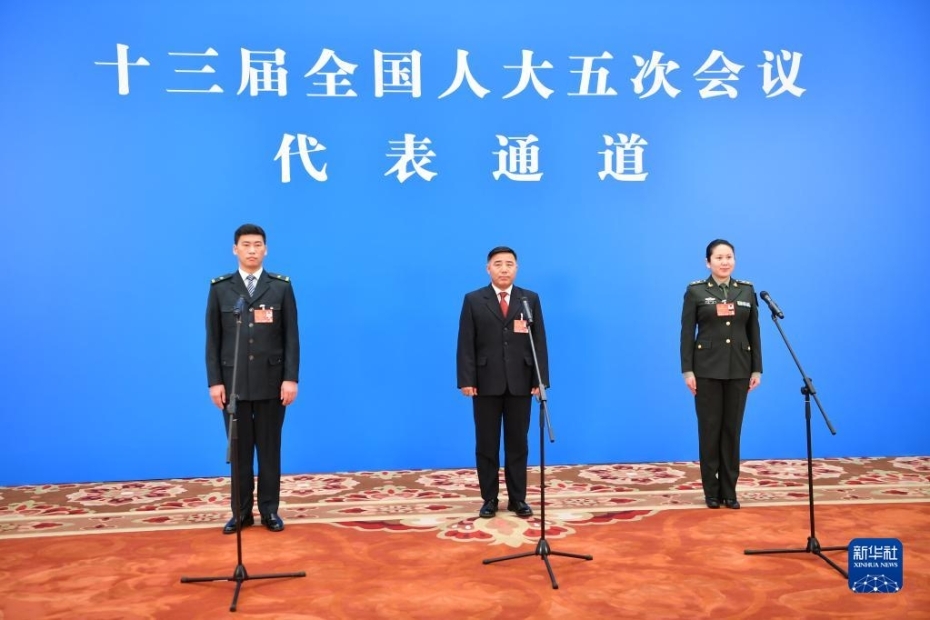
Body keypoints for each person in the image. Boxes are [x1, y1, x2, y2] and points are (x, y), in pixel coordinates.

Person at [206, 223, 300, 533]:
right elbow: (213, 340)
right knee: (239, 452)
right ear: (235, 249)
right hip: (233, 385)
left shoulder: (280, 287)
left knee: (270, 450)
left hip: (272, 383)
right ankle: (241, 512)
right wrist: (215, 382)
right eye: (246, 245)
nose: (252, 250)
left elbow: (291, 337)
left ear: (266, 249)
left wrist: (290, 378)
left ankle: (270, 511)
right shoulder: (220, 288)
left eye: (257, 244)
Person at [456, 246, 549, 519]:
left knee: (518, 443)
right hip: (484, 383)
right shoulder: (474, 299)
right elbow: (466, 343)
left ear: (516, 268)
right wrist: (466, 379)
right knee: (486, 443)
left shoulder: (529, 299)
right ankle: (489, 499)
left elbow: (539, 342)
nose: (504, 268)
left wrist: (540, 379)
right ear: (488, 269)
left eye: (509, 263)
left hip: (521, 382)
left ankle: (518, 499)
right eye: (498, 264)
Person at [680, 239, 762, 510]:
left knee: (732, 431)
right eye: (719, 257)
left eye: (729, 257)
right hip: (706, 370)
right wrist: (688, 370)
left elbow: (754, 332)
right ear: (708, 262)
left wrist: (757, 368)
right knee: (709, 430)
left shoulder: (746, 290)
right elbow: (686, 334)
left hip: (739, 368)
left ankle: (730, 490)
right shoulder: (695, 292)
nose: (725, 262)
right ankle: (711, 491)